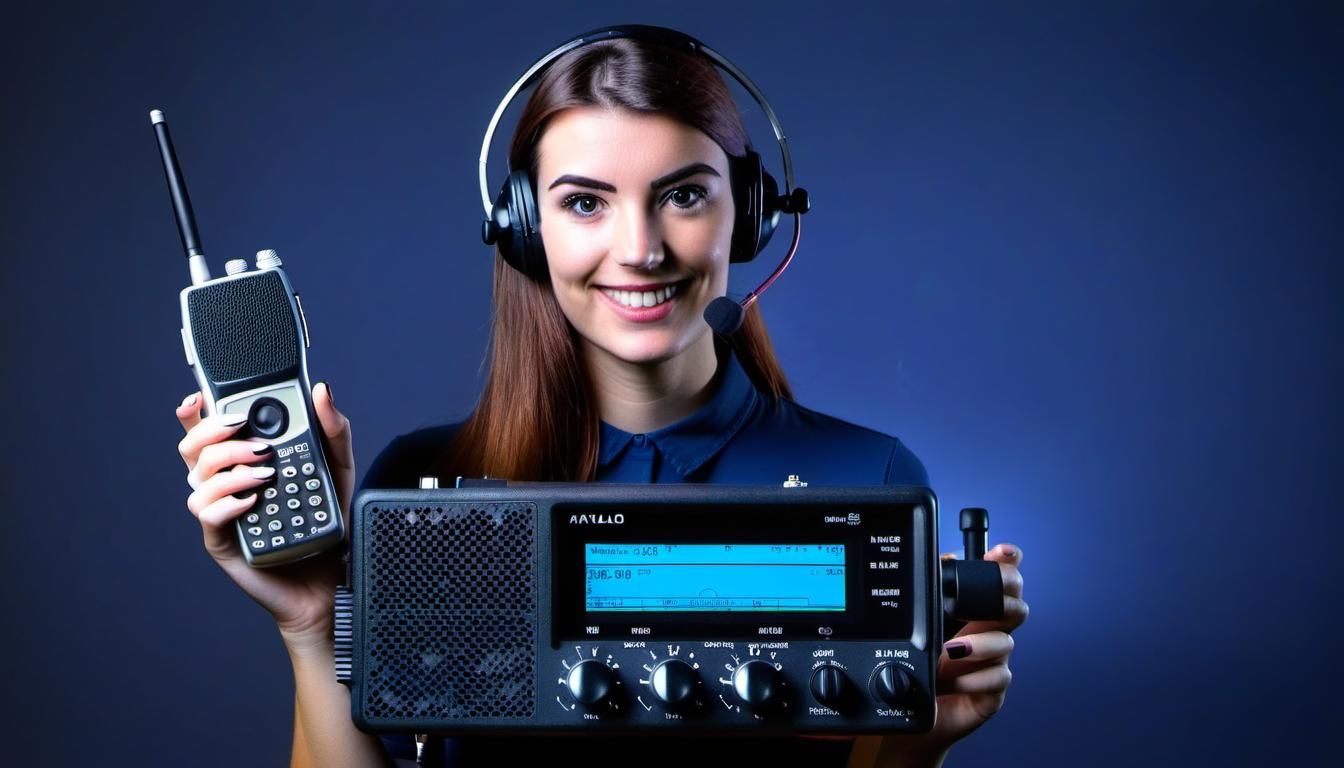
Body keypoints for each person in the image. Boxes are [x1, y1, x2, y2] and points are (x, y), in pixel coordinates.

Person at [173, 28, 1027, 768]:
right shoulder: (422, 483)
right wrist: (316, 622)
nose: (641, 248)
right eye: (585, 202)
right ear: (523, 229)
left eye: (684, 195)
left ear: (753, 211)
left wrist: (920, 741)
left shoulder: (871, 477)